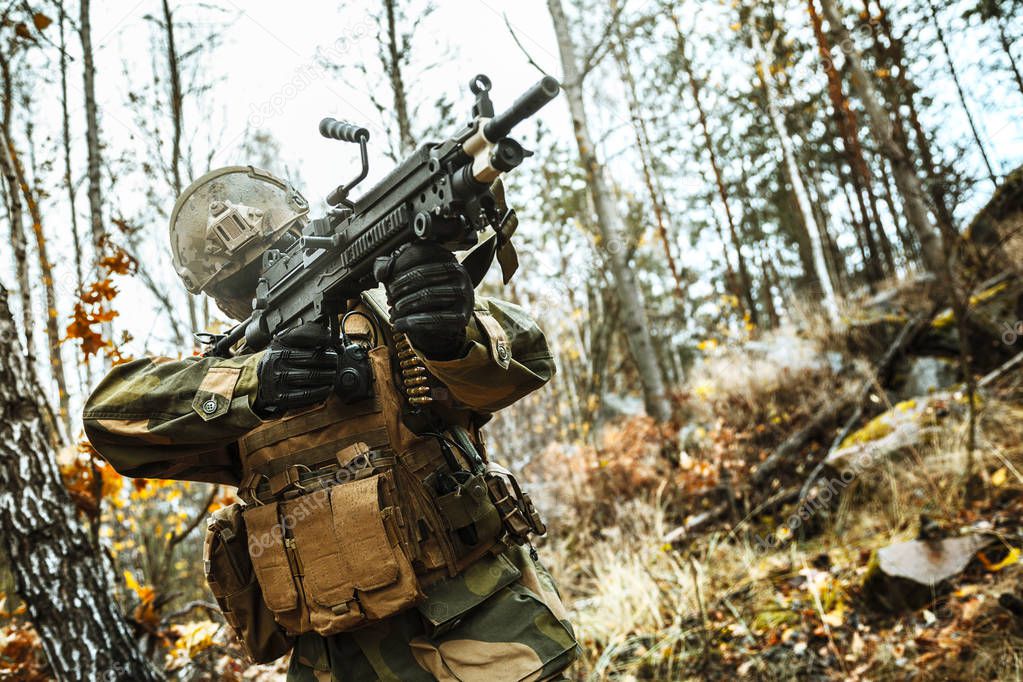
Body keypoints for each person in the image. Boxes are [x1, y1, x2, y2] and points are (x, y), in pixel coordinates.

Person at [83, 166, 579, 681]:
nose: (256, 288)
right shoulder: (233, 381)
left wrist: (452, 333)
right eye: (240, 285)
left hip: (478, 636)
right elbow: (106, 419)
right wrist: (257, 385)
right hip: (333, 660)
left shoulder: (392, 312)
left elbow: (527, 354)